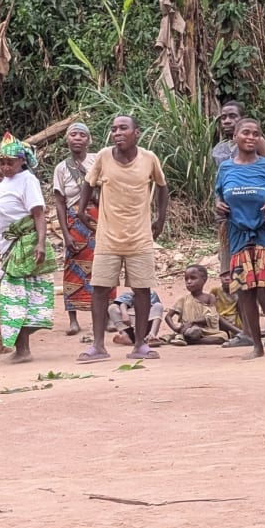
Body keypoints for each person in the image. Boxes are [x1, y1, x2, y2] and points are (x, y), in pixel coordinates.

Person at [76, 115, 169, 362]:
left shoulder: (149, 159)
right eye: (114, 129)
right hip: (108, 237)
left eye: (123, 128)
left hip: (140, 238)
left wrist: (160, 218)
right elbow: (89, 182)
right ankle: (98, 346)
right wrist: (81, 209)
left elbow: (162, 186)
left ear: (136, 132)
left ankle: (140, 344)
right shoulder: (104, 157)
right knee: (99, 289)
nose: (117, 132)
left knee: (141, 290)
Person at [214, 117, 265, 358]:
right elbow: (219, 196)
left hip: (264, 234)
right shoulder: (225, 168)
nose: (251, 137)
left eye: (255, 133)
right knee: (246, 291)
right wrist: (218, 204)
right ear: (235, 137)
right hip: (237, 235)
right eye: (246, 133)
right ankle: (257, 346)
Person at [0, 133, 55, 364]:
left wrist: (40, 244)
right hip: (8, 247)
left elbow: (38, 214)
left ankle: (23, 350)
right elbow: (0, 223)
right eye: (2, 162)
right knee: (14, 299)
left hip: (25, 247)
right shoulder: (5, 182)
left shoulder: (28, 180)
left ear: (22, 161)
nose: (5, 167)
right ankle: (21, 349)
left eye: (10, 162)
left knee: (16, 297)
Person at [52, 122, 99, 335]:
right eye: (73, 134)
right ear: (67, 139)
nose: (77, 138)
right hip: (74, 221)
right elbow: (60, 202)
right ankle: (73, 319)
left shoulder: (98, 160)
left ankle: (105, 315)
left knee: (103, 267)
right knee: (72, 269)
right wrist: (65, 233)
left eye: (82, 135)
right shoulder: (62, 168)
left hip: (99, 217)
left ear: (88, 140)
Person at [164, 265, 234, 345]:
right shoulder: (183, 299)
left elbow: (213, 316)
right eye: (186, 279)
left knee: (222, 336)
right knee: (194, 331)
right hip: (189, 329)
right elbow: (168, 316)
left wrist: (194, 322)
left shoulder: (210, 297)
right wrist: (176, 328)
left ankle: (190, 341)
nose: (189, 282)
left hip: (207, 330)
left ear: (204, 280)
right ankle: (186, 337)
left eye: (193, 278)